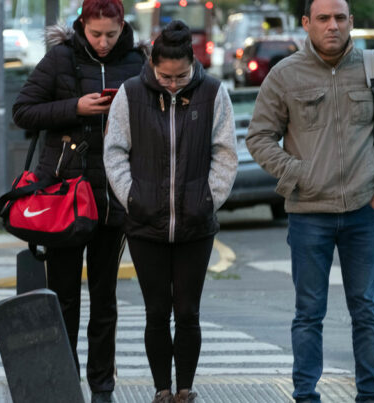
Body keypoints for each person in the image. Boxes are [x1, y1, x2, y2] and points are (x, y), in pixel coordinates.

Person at [245, 0, 374, 402]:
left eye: (340, 18)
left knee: (366, 311)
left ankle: (370, 397)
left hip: (363, 210)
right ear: (307, 24)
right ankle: (306, 396)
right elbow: (259, 137)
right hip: (308, 215)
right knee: (308, 314)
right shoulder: (285, 75)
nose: (332, 26)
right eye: (323, 18)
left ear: (351, 21)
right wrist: (298, 173)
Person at [11, 0, 146, 401]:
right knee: (64, 297)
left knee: (104, 299)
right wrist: (76, 107)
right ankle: (65, 385)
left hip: (113, 197)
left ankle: (102, 387)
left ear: (123, 26)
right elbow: (23, 111)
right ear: (81, 26)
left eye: (111, 34)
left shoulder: (139, 62)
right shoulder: (60, 59)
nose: (104, 42)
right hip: (64, 198)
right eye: (95, 34)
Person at [104, 20, 238, 403]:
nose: (174, 83)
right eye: (165, 76)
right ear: (153, 65)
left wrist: (208, 199)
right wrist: (132, 196)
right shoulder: (131, 94)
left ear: (192, 64)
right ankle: (162, 389)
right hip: (145, 222)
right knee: (156, 312)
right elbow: (114, 151)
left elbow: (225, 152)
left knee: (188, 311)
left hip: (197, 223)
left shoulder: (213, 92)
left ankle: (185, 389)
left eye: (181, 76)